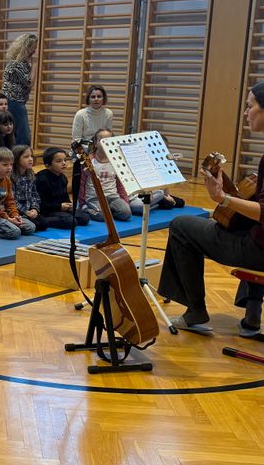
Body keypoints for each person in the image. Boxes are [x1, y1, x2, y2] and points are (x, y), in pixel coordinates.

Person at [159, 82, 264, 336]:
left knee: (181, 226)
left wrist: (222, 198)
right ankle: (252, 313)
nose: (246, 113)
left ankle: (195, 310)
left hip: (259, 251)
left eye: (250, 106)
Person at [79, 129, 142, 221]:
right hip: (95, 198)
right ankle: (91, 210)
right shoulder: (88, 161)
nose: (105, 142)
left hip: (112, 197)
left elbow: (120, 184)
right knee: (102, 216)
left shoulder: (116, 161)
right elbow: (81, 183)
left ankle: (107, 210)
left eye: (108, 140)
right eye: (101, 140)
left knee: (126, 213)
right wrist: (82, 204)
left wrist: (125, 202)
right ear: (95, 143)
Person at [0, 147, 36, 239]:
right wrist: (8, 219)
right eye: (5, 165)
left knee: (31, 227)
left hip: (4, 214)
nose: (9, 168)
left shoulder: (7, 180)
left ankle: (8, 224)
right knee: (15, 232)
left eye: (11, 164)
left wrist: (15, 216)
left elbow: (10, 201)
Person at [34, 146, 90, 229]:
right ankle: (43, 221)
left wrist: (70, 205)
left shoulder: (63, 177)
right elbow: (41, 205)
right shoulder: (41, 180)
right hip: (47, 211)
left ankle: (65, 217)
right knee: (70, 221)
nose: (64, 163)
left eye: (65, 160)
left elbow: (65, 197)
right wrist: (59, 206)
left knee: (85, 217)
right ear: (48, 166)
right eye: (59, 161)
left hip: (60, 209)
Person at [1, 32, 38, 145]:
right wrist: (35, 64)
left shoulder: (23, 63)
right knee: (24, 137)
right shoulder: (16, 64)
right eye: (33, 47)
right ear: (26, 47)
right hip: (14, 102)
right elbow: (30, 83)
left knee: (15, 135)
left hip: (17, 101)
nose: (34, 51)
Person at [11, 145, 47, 232]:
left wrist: (34, 208)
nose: (30, 159)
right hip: (17, 211)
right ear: (16, 159)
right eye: (26, 157)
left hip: (29, 209)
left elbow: (34, 194)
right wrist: (25, 211)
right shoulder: (11, 177)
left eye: (31, 156)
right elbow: (12, 200)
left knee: (44, 224)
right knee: (34, 226)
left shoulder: (30, 174)